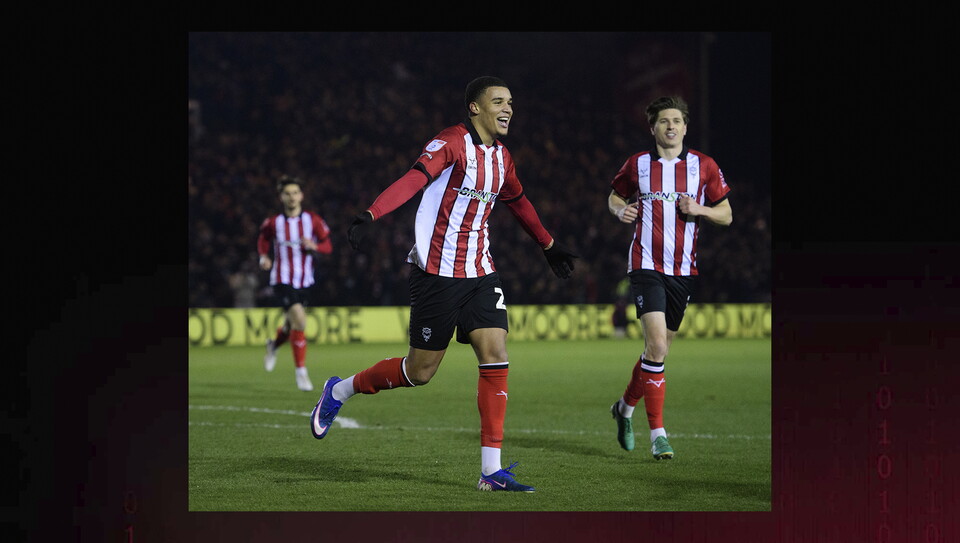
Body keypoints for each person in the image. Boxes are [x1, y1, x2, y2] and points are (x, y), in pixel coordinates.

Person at [310, 76, 577, 492]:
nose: (508, 109)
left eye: (511, 102)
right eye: (498, 102)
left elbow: (518, 200)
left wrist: (549, 244)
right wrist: (372, 213)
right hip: (437, 271)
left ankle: (491, 471)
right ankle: (340, 390)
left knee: (495, 351)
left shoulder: (503, 158)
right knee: (420, 371)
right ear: (475, 107)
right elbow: (414, 178)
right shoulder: (451, 142)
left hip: (480, 270)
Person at [606, 96, 732, 460]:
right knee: (658, 347)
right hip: (645, 266)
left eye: (677, 120)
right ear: (653, 128)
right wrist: (620, 211)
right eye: (664, 121)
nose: (671, 126)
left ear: (685, 127)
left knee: (654, 352)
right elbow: (614, 197)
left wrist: (701, 209)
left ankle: (624, 409)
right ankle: (658, 434)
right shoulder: (638, 164)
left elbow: (727, 214)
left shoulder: (703, 166)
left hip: (683, 271)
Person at [257, 175, 333, 391]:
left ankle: (273, 345)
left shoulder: (313, 220)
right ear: (281, 196)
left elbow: (328, 246)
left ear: (301, 195)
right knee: (300, 321)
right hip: (281, 279)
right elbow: (263, 239)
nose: (291, 197)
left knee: (291, 326)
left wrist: (315, 246)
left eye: (295, 193)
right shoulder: (273, 222)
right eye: (287, 193)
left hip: (305, 281)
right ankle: (301, 372)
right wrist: (263, 257)